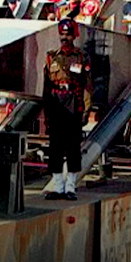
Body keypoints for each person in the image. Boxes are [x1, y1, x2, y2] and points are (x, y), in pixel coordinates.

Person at [41, 18, 90, 200]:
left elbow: (87, 86)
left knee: (72, 148)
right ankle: (58, 187)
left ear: (74, 36)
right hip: (56, 105)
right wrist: (46, 112)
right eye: (62, 34)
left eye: (68, 34)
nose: (64, 38)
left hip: (73, 104)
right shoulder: (51, 57)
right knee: (55, 148)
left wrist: (86, 110)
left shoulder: (80, 57)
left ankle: (70, 187)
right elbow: (46, 86)